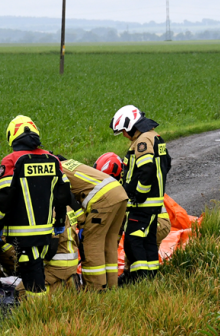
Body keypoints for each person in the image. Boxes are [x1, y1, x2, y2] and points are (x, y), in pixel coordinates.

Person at [0, 115, 73, 302]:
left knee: (32, 275)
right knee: (35, 269)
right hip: (46, 232)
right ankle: (36, 310)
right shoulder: (52, 160)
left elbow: (4, 198)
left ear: (12, 136)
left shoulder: (11, 161)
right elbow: (63, 195)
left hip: (22, 233)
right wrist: (59, 221)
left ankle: (38, 313)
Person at [109, 105, 171, 283]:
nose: (124, 135)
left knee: (133, 241)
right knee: (148, 242)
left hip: (143, 203)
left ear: (130, 126)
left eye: (123, 131)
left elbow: (147, 168)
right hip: (155, 202)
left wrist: (138, 194)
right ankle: (151, 278)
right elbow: (167, 164)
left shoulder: (142, 141)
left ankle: (138, 280)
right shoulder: (156, 137)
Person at [56, 153, 129, 290]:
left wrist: (82, 220)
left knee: (91, 243)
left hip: (103, 200)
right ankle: (112, 287)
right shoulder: (72, 165)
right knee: (109, 243)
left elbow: (67, 196)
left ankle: (95, 289)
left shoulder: (55, 169)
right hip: (120, 194)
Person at [45, 211, 80, 291]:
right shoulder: (69, 209)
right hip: (72, 260)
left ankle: (64, 284)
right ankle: (66, 282)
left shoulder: (53, 212)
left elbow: (52, 246)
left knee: (22, 289)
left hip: (57, 263)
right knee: (54, 282)